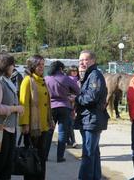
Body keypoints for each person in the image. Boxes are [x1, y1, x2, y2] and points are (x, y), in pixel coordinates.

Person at [0, 53, 24, 180]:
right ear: (5, 65)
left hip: (8, 128)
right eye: (12, 64)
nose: (14, 67)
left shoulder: (6, 80)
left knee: (7, 165)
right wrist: (15, 108)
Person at [74, 50, 109, 180]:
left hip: (92, 119)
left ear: (93, 61)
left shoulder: (95, 75)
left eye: (85, 60)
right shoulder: (89, 75)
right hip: (89, 118)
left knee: (88, 153)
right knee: (93, 152)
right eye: (80, 60)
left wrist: (76, 99)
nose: (82, 62)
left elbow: (91, 97)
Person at [19, 55, 53, 180]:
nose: (41, 67)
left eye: (43, 64)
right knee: (31, 160)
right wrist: (24, 124)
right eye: (39, 65)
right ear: (32, 66)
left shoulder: (42, 80)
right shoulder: (27, 80)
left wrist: (51, 120)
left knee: (41, 158)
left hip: (44, 126)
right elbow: (23, 104)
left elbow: (47, 104)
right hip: (32, 128)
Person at [44, 61, 80, 162]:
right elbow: (78, 90)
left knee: (49, 132)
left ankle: (45, 156)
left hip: (50, 107)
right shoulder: (66, 78)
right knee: (63, 132)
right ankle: (60, 157)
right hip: (65, 106)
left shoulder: (46, 79)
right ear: (60, 69)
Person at [66, 65, 80, 148]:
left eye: (76, 71)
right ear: (69, 71)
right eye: (72, 71)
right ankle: (72, 141)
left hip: (77, 103)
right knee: (69, 123)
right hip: (69, 103)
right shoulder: (67, 80)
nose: (74, 72)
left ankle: (69, 140)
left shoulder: (78, 80)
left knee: (70, 123)